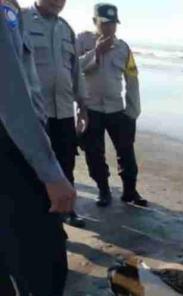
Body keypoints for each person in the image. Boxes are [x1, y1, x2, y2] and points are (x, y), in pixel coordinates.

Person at [0, 0, 76, 294]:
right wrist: (50, 173)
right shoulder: (6, 12)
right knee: (45, 264)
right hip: (12, 152)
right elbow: (13, 99)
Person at [21, 0, 87, 228]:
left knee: (66, 163)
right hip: (34, 114)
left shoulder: (66, 29)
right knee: (35, 166)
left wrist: (83, 107)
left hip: (64, 112)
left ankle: (67, 211)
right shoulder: (20, 19)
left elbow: (75, 71)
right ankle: (40, 216)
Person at [76, 3, 147, 207]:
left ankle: (130, 191)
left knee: (126, 151)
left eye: (113, 24)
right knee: (94, 152)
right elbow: (72, 69)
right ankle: (103, 190)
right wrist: (95, 53)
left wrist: (133, 111)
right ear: (94, 22)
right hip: (91, 109)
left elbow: (132, 79)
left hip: (117, 109)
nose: (109, 28)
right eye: (105, 23)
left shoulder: (123, 47)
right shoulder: (82, 41)